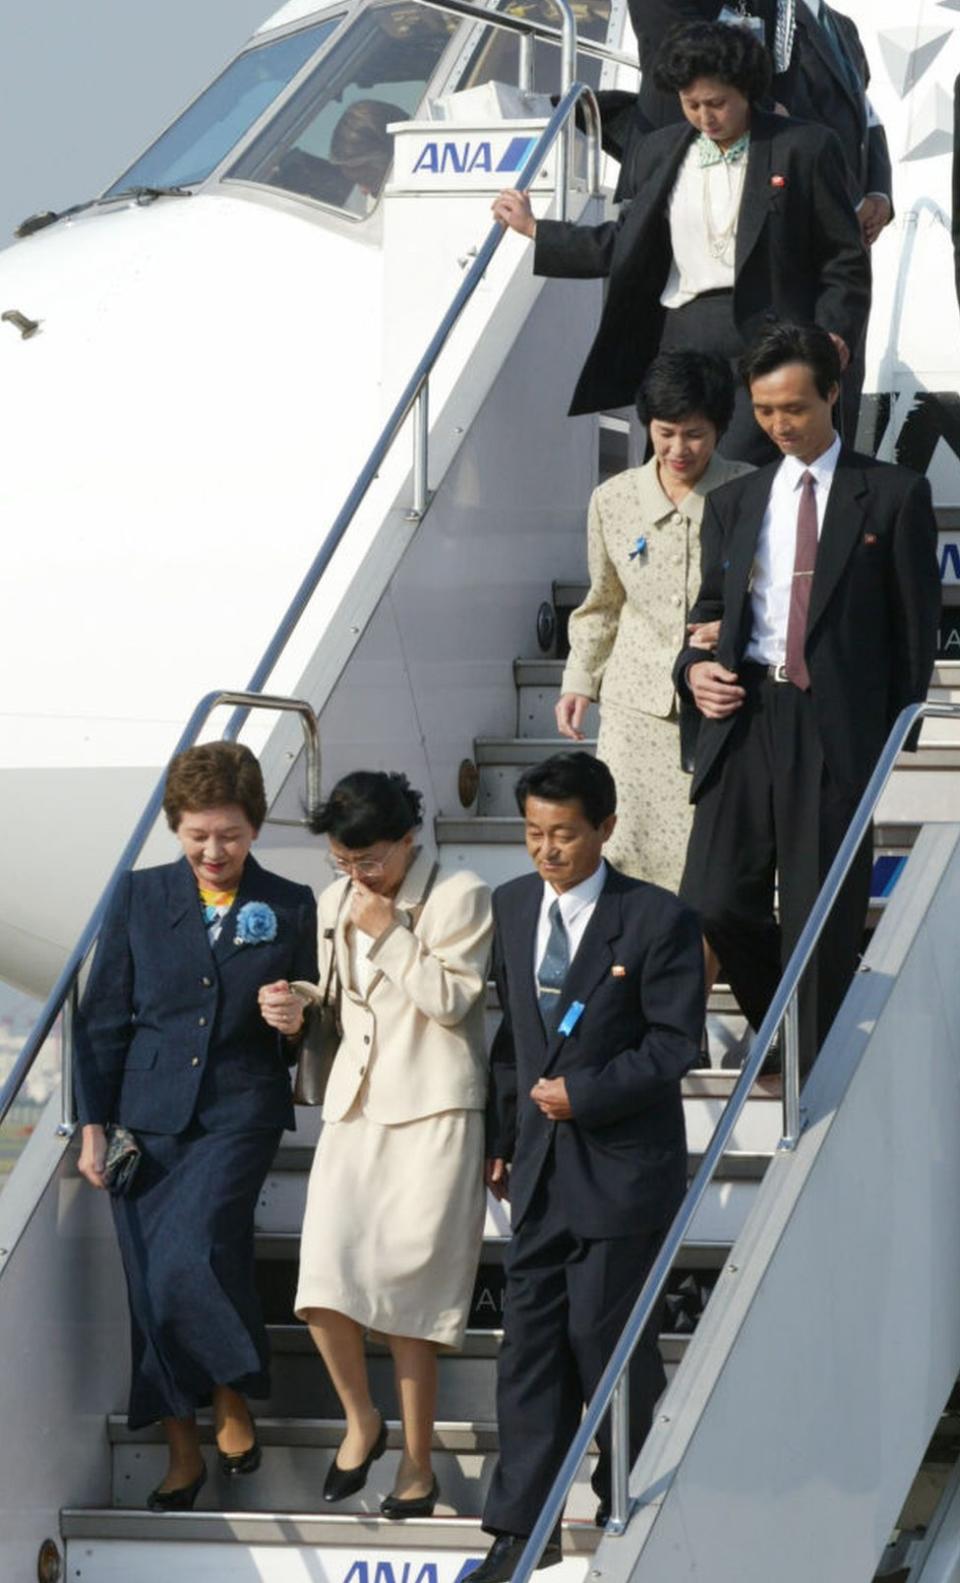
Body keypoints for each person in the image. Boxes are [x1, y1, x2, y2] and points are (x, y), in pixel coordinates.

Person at [674, 322, 940, 1073]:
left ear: (832, 393)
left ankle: (810, 1068)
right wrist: (691, 675)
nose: (780, 425)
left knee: (820, 913)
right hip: (742, 715)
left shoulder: (892, 495)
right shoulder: (735, 500)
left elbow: (915, 636)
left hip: (834, 728)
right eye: (763, 411)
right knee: (715, 899)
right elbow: (703, 620)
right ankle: (791, 1037)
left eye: (794, 407)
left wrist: (882, 746)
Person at [471, 753, 704, 1583]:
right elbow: (514, 1040)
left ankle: (627, 1495)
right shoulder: (510, 904)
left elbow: (678, 1043)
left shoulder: (656, 919)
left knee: (606, 1341)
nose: (547, 850)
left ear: (604, 828)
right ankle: (515, 1531)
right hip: (537, 1171)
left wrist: (588, 1093)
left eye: (564, 833)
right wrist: (503, 1134)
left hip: (619, 1172)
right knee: (526, 1351)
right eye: (533, 832)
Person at [74, 742, 318, 1510]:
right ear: (175, 827)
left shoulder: (289, 901)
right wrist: (90, 1126)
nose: (215, 851)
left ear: (256, 827)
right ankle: (183, 1447)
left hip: (238, 1108)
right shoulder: (139, 896)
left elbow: (307, 1018)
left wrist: (292, 1020)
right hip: (143, 1118)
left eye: (232, 835)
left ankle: (234, 1388)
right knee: (148, 1278)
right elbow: (101, 1020)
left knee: (189, 1253)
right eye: (198, 835)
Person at [262, 772, 492, 1519]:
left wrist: (387, 927)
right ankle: (363, 1418)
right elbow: (334, 997)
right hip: (354, 1107)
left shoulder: (459, 894)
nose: (357, 875)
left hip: (433, 1111)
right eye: (342, 860)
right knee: (322, 1280)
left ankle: (418, 1467)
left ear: (406, 839)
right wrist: (294, 1004)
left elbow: (453, 1000)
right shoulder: (334, 901)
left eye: (370, 860)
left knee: (409, 1298)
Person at [493, 21, 869, 465]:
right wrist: (538, 229)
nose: (705, 117)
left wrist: (833, 330)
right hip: (683, 333)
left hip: (773, 335)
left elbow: (843, 257)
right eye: (691, 105)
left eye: (717, 104)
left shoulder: (804, 146)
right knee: (677, 463)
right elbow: (625, 241)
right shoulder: (658, 150)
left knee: (744, 470)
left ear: (746, 91)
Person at [556, 351, 752, 892]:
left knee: (708, 869)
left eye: (694, 434)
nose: (678, 449)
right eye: (665, 433)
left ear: (719, 428)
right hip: (633, 709)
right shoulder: (611, 500)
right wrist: (580, 681)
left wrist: (735, 627)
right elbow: (602, 604)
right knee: (626, 852)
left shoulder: (750, 491)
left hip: (721, 706)